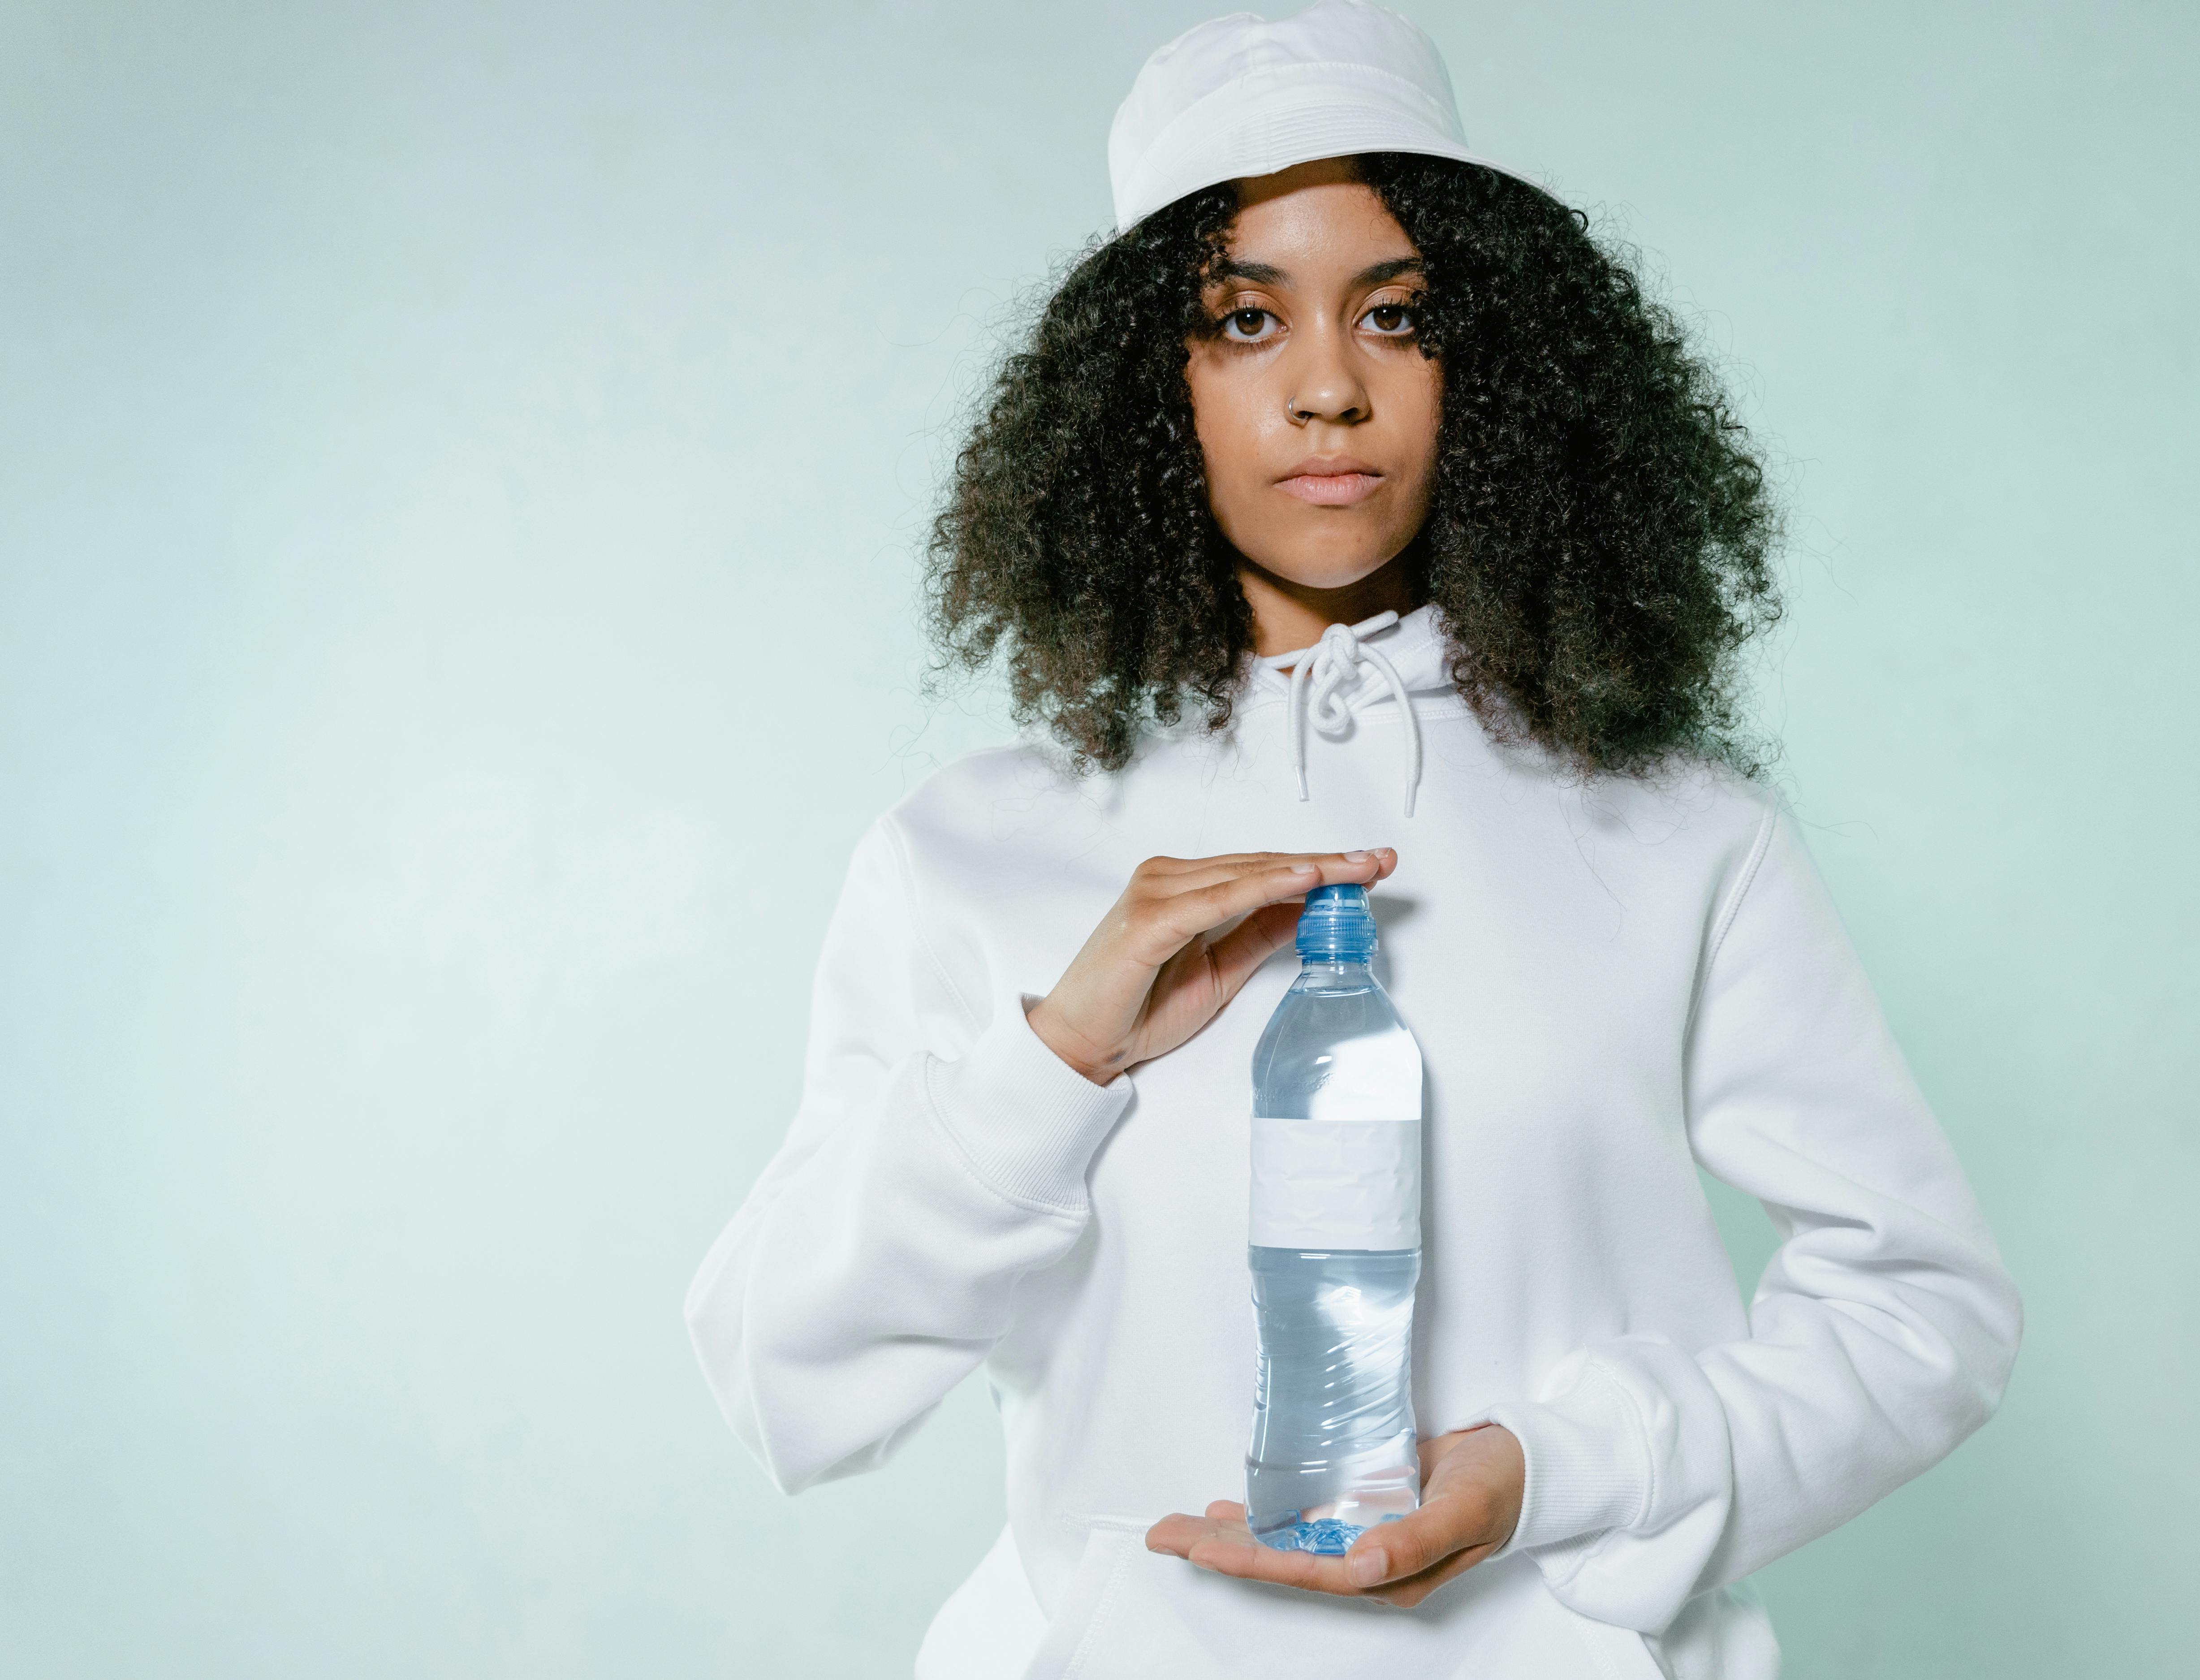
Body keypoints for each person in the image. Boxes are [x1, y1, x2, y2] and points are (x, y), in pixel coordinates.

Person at [684, 4, 2022, 1675]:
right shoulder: (969, 856)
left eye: (1399, 316)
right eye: (1245, 320)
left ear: (1500, 367)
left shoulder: (1685, 836)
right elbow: (781, 1375)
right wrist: (1057, 1060)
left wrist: (1567, 1476)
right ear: (1140, 389)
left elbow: (1925, 1314)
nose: (1329, 387)